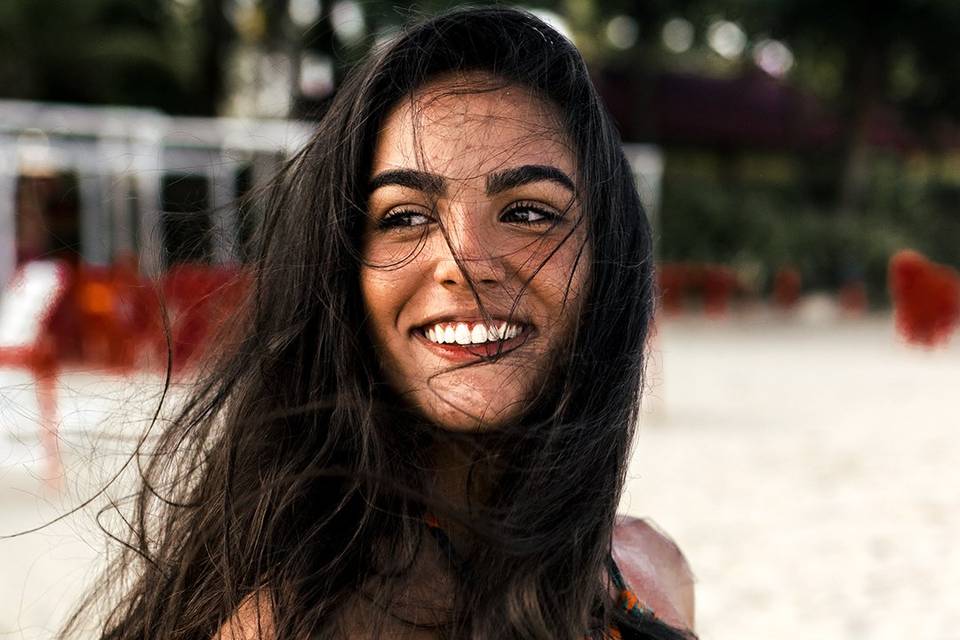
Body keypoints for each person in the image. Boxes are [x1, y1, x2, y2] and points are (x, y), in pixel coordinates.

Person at [65, 7, 695, 640]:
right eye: (404, 217)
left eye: (529, 213)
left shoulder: (653, 568)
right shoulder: (299, 624)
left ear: (610, 264)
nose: (463, 263)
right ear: (342, 279)